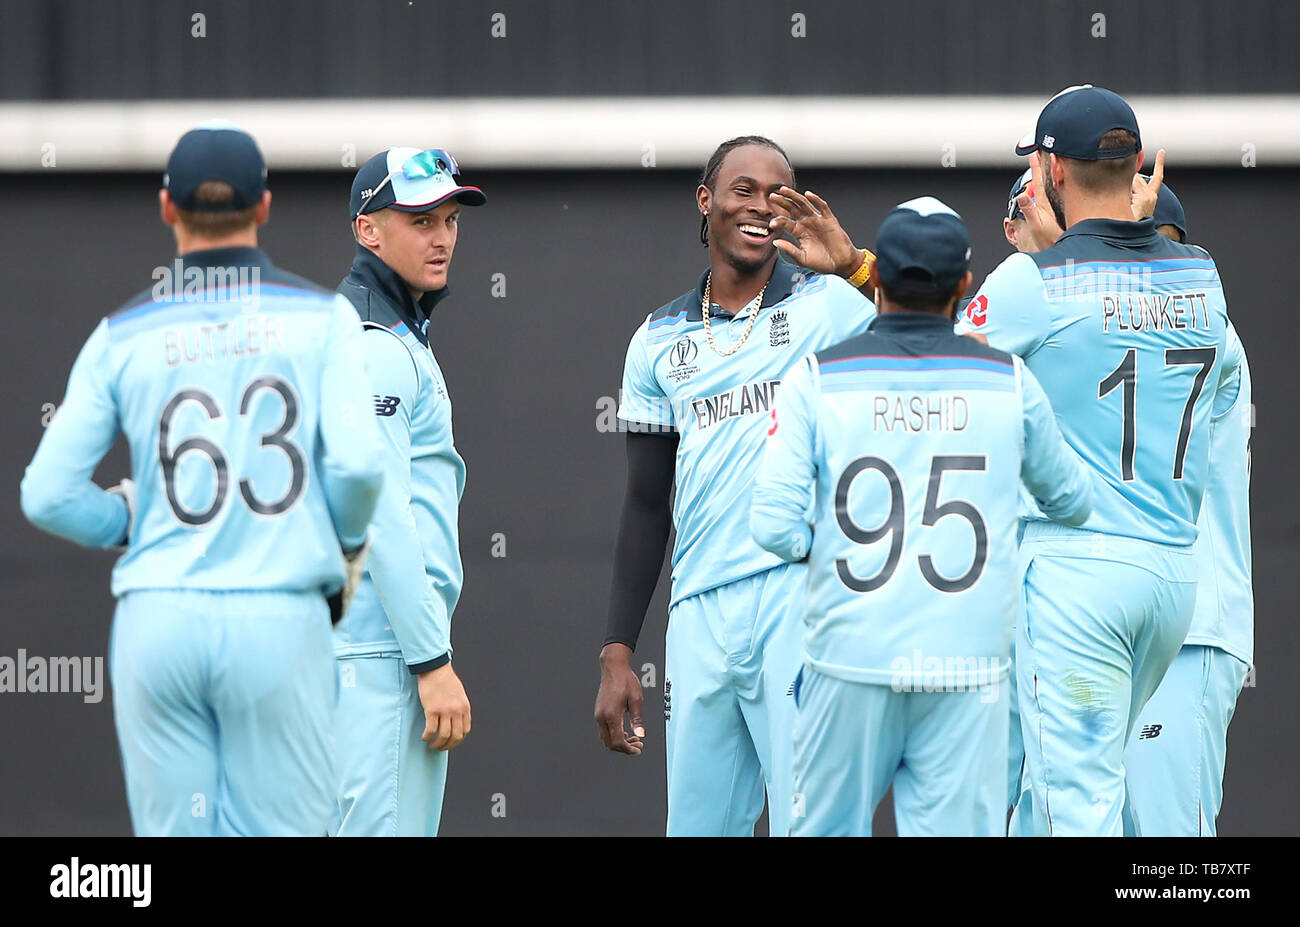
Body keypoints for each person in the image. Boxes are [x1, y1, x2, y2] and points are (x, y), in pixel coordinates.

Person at [20, 124, 384, 836]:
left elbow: (47, 494)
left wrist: (126, 518)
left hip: (158, 619)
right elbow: (361, 465)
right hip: (278, 614)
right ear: (266, 205)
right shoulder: (325, 318)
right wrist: (340, 550)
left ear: (166, 208)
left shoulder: (119, 334)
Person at [751, 196, 1093, 836]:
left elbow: (771, 526)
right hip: (966, 664)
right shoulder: (1009, 379)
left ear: (874, 278)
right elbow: (1073, 502)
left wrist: (829, 548)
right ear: (965, 286)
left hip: (848, 657)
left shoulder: (817, 378)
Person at [956, 85, 1232, 835]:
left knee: (1077, 810)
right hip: (1173, 577)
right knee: (1057, 807)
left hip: (1078, 575)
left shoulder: (1031, 282)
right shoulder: (1201, 275)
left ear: (1051, 169)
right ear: (1137, 162)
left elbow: (933, 372)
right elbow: (1226, 380)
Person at [594, 136, 877, 836]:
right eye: (743, 189)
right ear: (706, 200)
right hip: (699, 614)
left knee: (814, 823)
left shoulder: (831, 306)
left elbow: (942, 334)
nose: (759, 206)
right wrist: (618, 650)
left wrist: (857, 266)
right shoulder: (655, 339)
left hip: (801, 599)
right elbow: (644, 502)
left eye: (778, 194)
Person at [329, 148, 483, 837]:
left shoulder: (357, 330)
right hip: (381, 652)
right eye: (420, 219)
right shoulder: (378, 344)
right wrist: (430, 659)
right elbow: (382, 514)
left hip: (339, 649)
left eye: (449, 218)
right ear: (369, 229)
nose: (443, 236)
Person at [1123, 182, 1254, 836]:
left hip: (1189, 632)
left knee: (1168, 856)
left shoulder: (1208, 329)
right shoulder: (1090, 329)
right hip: (1113, 627)